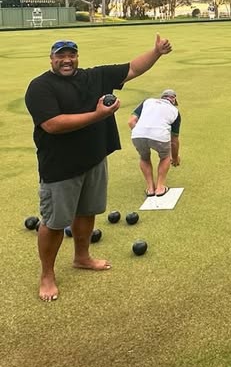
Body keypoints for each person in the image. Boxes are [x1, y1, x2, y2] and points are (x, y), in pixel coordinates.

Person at [25, 34, 173, 302]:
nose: (67, 60)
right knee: (55, 223)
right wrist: (97, 115)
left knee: (87, 212)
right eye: (61, 56)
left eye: (71, 55)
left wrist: (156, 52)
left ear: (77, 57)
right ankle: (47, 274)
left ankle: (82, 257)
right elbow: (52, 124)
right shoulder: (40, 87)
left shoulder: (94, 77)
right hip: (60, 167)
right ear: (52, 59)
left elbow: (133, 68)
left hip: (93, 160)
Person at [128, 88, 181, 197]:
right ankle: (160, 187)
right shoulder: (175, 111)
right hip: (160, 135)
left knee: (144, 157)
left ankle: (150, 188)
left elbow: (131, 121)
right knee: (165, 157)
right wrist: (175, 158)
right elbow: (174, 141)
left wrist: (140, 132)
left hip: (138, 134)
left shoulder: (147, 101)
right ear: (174, 100)